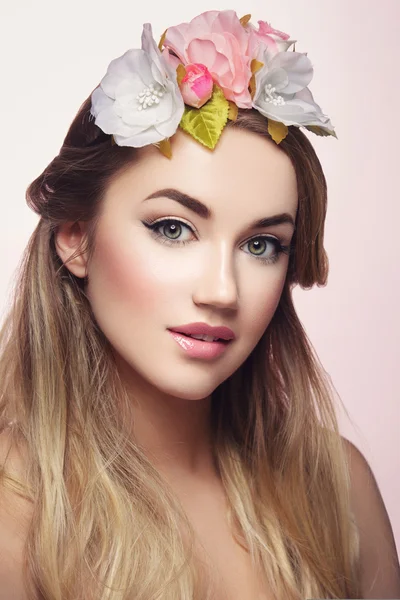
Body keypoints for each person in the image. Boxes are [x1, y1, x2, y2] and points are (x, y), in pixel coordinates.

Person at [0, 8, 399, 600]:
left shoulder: (338, 489)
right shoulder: (13, 509)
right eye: (172, 228)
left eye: (262, 245)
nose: (222, 291)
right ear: (76, 238)